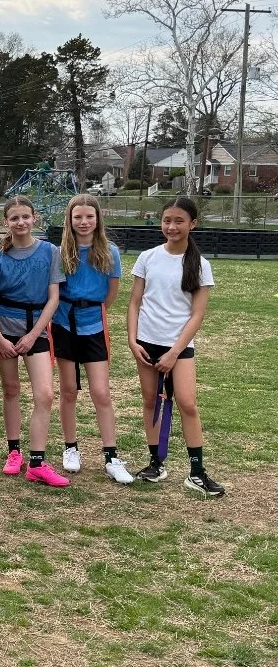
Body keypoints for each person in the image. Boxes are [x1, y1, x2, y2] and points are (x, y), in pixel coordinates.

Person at [127, 197, 222, 497]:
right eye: (167, 220)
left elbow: (197, 315)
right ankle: (156, 463)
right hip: (146, 344)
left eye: (179, 221)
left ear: (192, 224)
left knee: (187, 403)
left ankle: (197, 472)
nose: (172, 226)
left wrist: (173, 352)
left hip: (178, 348)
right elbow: (134, 303)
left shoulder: (200, 265)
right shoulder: (148, 257)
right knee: (151, 403)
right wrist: (132, 340)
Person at [53, 195, 134, 484]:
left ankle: (112, 456)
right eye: (78, 217)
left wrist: (93, 313)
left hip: (94, 327)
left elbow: (111, 294)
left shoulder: (109, 251)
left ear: (98, 219)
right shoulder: (60, 251)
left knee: (101, 392)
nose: (84, 222)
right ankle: (70, 448)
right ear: (70, 220)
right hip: (63, 324)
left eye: (89, 216)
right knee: (69, 390)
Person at [0, 196, 69, 488]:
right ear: (6, 222)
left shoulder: (50, 252)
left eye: (25, 216)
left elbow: (54, 298)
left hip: (35, 329)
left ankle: (37, 461)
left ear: (34, 218)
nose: (20, 222)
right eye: (14, 218)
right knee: (11, 389)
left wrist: (35, 333)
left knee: (45, 394)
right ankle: (14, 452)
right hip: (4, 327)